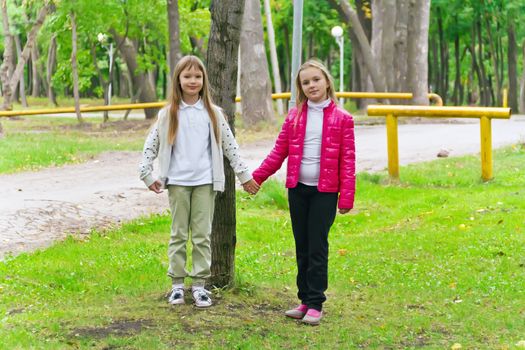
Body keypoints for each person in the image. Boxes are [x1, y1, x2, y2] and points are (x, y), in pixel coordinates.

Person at [139, 55, 260, 308]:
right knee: (178, 234)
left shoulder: (213, 114)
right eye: (187, 76)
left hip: (206, 183)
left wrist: (244, 176)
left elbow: (230, 147)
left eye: (197, 76)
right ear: (178, 81)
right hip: (178, 184)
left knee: (203, 236)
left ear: (204, 80)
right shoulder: (168, 114)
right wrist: (147, 174)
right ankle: (177, 286)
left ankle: (200, 287)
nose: (192, 81)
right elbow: (150, 146)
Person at [252, 59, 355, 325]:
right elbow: (279, 152)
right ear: (301, 88)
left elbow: (348, 161)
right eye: (305, 82)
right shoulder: (294, 116)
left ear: (327, 81)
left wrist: (346, 197)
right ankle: (304, 299)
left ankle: (316, 302)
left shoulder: (343, 120)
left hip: (325, 193)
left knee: (317, 246)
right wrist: (257, 178)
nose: (311, 85)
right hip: (298, 190)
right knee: (302, 246)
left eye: (316, 80)